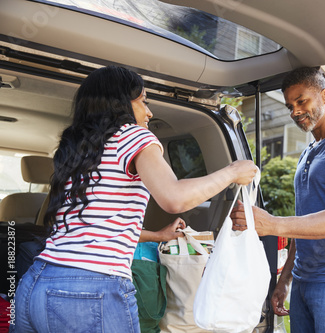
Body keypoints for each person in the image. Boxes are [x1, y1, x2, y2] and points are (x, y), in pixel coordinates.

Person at [10, 65, 258, 333]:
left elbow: (95, 228)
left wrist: (157, 235)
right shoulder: (133, 135)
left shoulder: (77, 151)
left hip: (35, 283)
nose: (149, 112)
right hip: (93, 288)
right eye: (143, 101)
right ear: (120, 103)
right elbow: (174, 199)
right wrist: (232, 172)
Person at [231, 67, 325, 332]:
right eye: (290, 106)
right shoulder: (308, 153)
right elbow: (305, 222)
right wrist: (286, 278)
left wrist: (273, 224)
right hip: (304, 279)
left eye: (302, 101)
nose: (295, 112)